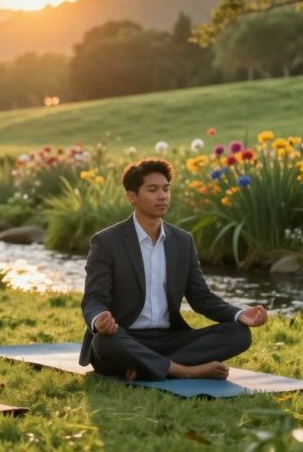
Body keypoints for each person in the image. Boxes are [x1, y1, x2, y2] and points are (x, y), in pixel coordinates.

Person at [79, 158, 268, 381]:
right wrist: (99, 320)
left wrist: (239, 314)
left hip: (171, 339)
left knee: (239, 334)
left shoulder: (182, 241)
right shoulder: (106, 242)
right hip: (125, 336)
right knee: (103, 342)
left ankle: (146, 366)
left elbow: (202, 298)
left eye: (166, 189)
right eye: (153, 190)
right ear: (132, 196)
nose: (162, 196)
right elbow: (94, 298)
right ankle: (184, 370)